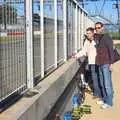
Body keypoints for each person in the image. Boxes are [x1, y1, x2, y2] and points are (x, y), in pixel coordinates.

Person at [74, 27, 102, 99]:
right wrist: (76, 55)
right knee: (94, 78)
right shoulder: (87, 41)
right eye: (87, 33)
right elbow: (84, 51)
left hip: (99, 62)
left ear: (93, 33)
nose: (88, 35)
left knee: (100, 78)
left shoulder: (97, 40)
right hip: (92, 63)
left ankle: (101, 93)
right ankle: (97, 93)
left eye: (89, 33)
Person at [95, 22, 114, 109]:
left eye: (99, 27)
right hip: (99, 63)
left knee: (107, 84)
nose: (97, 29)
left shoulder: (107, 37)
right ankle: (105, 99)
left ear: (102, 27)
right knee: (102, 83)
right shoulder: (98, 37)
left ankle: (109, 103)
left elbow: (111, 50)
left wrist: (111, 63)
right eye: (96, 28)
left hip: (106, 63)